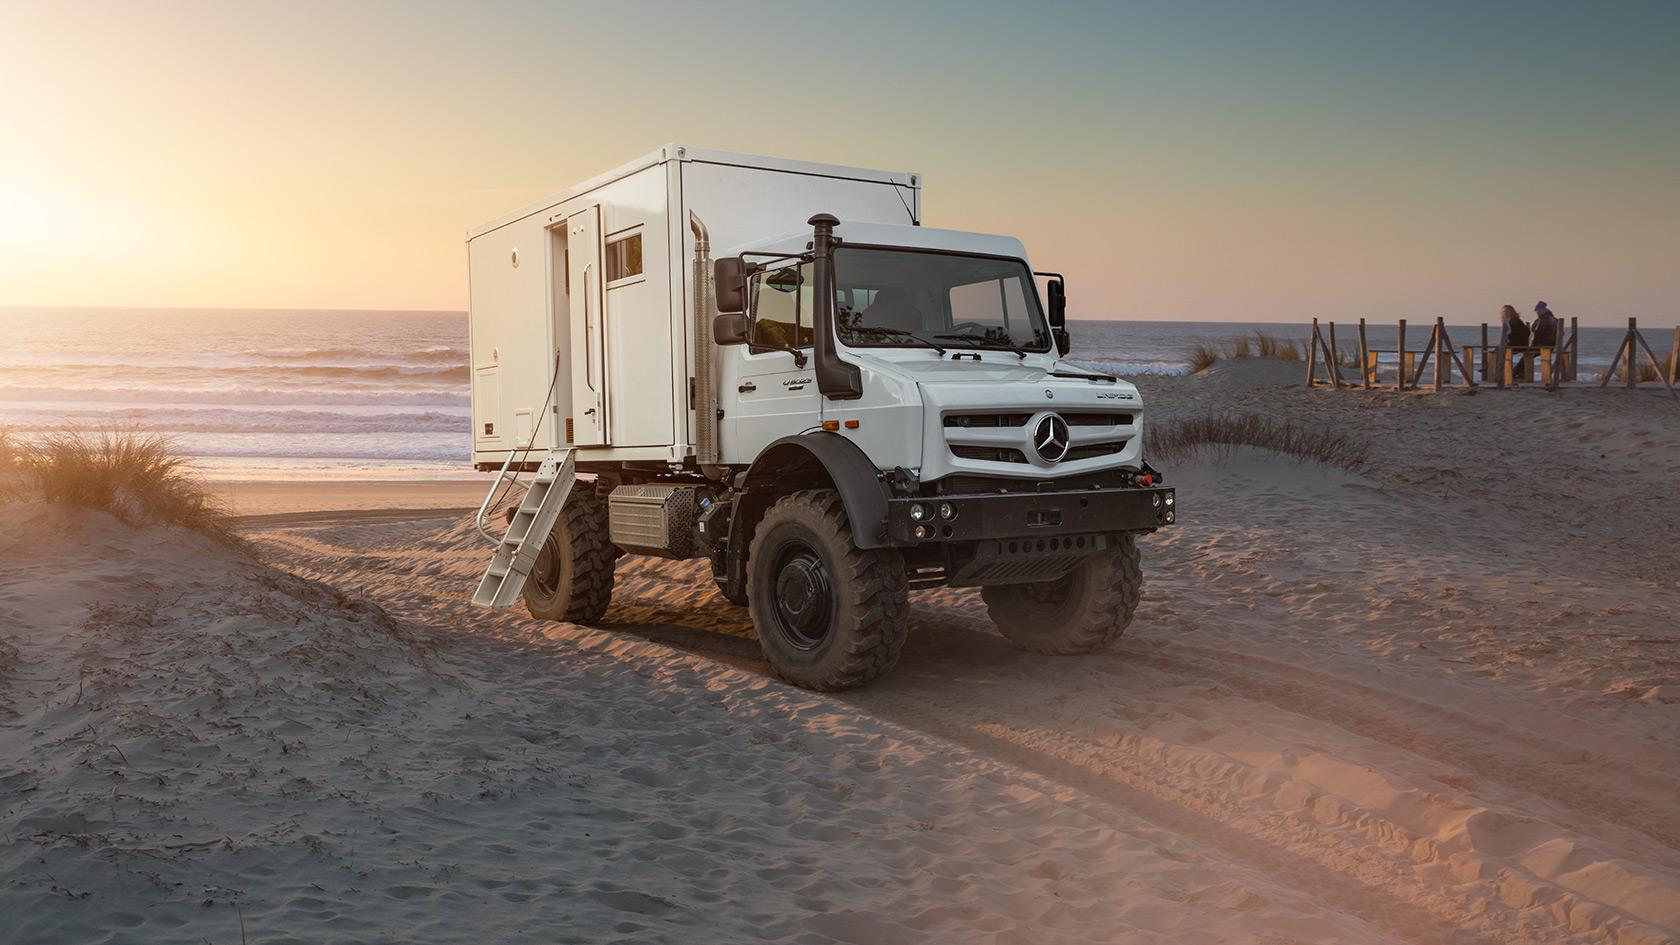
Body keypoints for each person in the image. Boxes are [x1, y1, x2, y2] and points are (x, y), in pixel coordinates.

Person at [1503, 304, 1532, 381]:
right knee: (1498, 349)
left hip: (1519, 344)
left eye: (1507, 311)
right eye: (1504, 311)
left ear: (1512, 312)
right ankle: (1491, 369)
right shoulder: (1508, 321)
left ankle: (1506, 374)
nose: (1505, 312)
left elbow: (1525, 332)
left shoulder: (1515, 321)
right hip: (1515, 343)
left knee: (1500, 351)